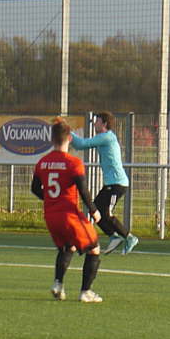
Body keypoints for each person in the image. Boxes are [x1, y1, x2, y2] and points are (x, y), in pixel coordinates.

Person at [31, 117, 103, 303]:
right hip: (69, 214)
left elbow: (34, 188)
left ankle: (58, 284)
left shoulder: (42, 162)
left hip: (50, 215)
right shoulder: (73, 163)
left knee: (67, 248)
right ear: (69, 138)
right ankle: (86, 291)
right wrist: (94, 210)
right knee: (94, 248)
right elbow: (83, 189)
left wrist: (50, 199)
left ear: (51, 139)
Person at [70, 111, 139, 255]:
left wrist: (67, 132)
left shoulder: (106, 137)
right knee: (95, 209)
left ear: (104, 124)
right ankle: (113, 236)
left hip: (118, 184)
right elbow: (79, 145)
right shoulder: (103, 137)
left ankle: (129, 237)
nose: (95, 123)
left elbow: (82, 144)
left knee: (106, 212)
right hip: (111, 183)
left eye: (97, 121)